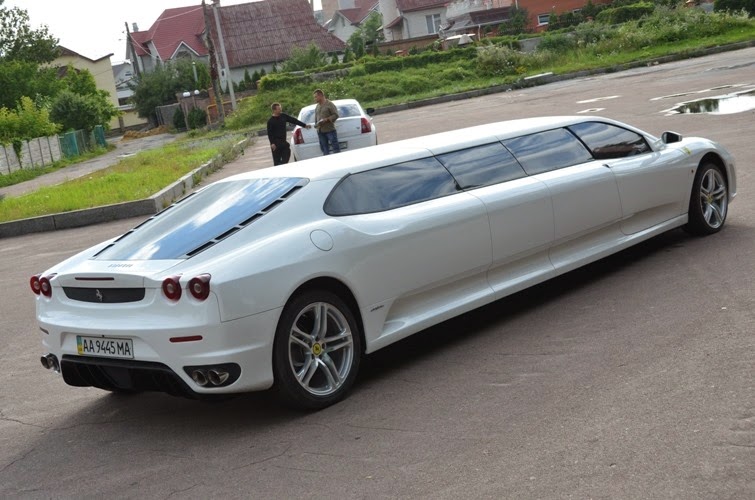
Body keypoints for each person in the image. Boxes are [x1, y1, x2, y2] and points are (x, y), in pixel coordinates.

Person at [313, 89, 340, 155]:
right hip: (321, 131)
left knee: (335, 148)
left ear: (320, 96)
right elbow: (316, 117)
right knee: (324, 150)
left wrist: (327, 119)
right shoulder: (317, 106)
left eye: (316, 97)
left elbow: (336, 115)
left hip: (330, 130)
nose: (315, 99)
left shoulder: (329, 104)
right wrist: (316, 125)